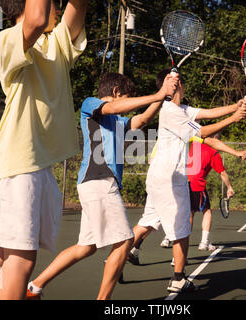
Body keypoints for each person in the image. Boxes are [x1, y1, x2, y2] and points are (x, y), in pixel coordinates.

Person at [0, 0, 88, 300]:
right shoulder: (2, 41)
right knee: (21, 259)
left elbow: (79, 8)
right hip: (18, 162)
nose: (57, 7)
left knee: (1, 256)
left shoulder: (57, 43)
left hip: (37, 165)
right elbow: (36, 19)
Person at [25, 72, 178, 300]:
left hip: (96, 184)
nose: (127, 102)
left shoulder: (117, 121)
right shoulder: (91, 104)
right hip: (99, 181)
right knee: (126, 242)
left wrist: (163, 96)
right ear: (116, 93)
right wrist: (158, 93)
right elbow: (114, 108)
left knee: (85, 247)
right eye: (126, 97)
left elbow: (142, 120)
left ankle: (34, 288)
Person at [129, 68, 246, 294]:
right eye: (179, 82)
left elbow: (208, 112)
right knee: (182, 229)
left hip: (158, 177)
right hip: (170, 179)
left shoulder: (181, 109)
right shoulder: (171, 111)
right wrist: (233, 118)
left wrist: (235, 106)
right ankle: (178, 278)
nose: (182, 85)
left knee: (147, 221)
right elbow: (203, 132)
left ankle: (121, 255)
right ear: (177, 86)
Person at [160, 134, 246, 252]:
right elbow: (222, 173)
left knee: (180, 212)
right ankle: (203, 242)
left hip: (179, 181)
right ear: (215, 140)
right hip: (196, 184)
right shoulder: (213, 152)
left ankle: (168, 238)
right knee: (204, 212)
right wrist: (229, 187)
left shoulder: (193, 144)